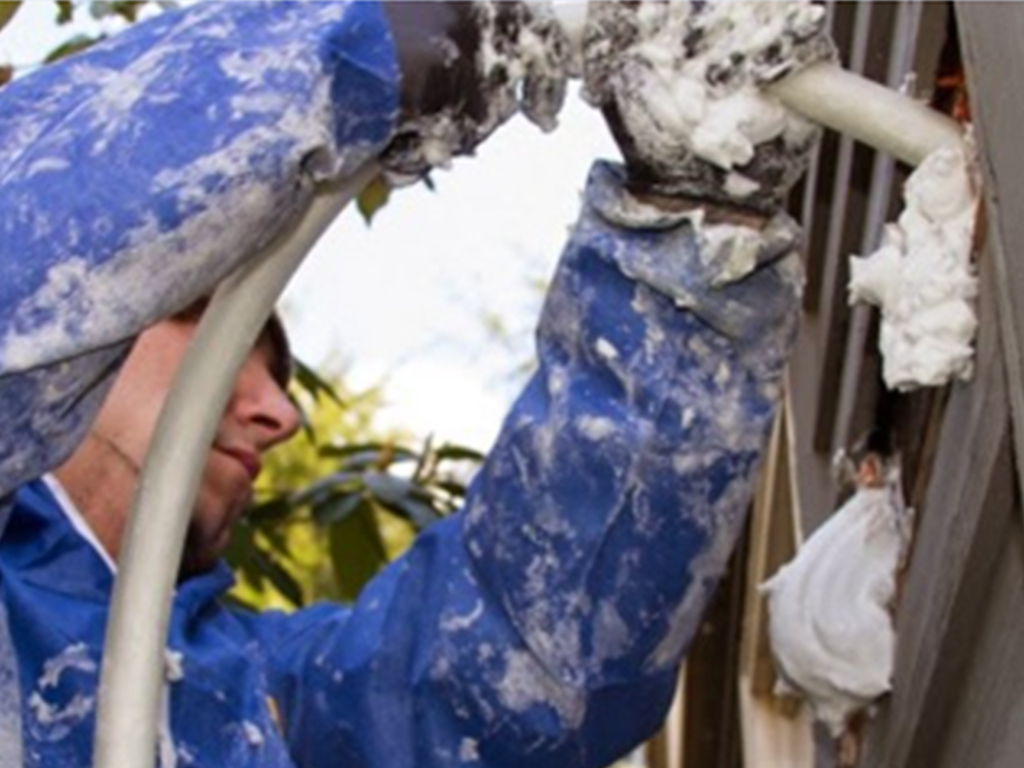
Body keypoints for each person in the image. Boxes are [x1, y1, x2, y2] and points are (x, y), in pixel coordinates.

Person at [0, 2, 831, 766]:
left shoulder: (242, 694)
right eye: (221, 336)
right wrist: (396, 38)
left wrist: (690, 238)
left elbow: (510, 682)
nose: (282, 414)